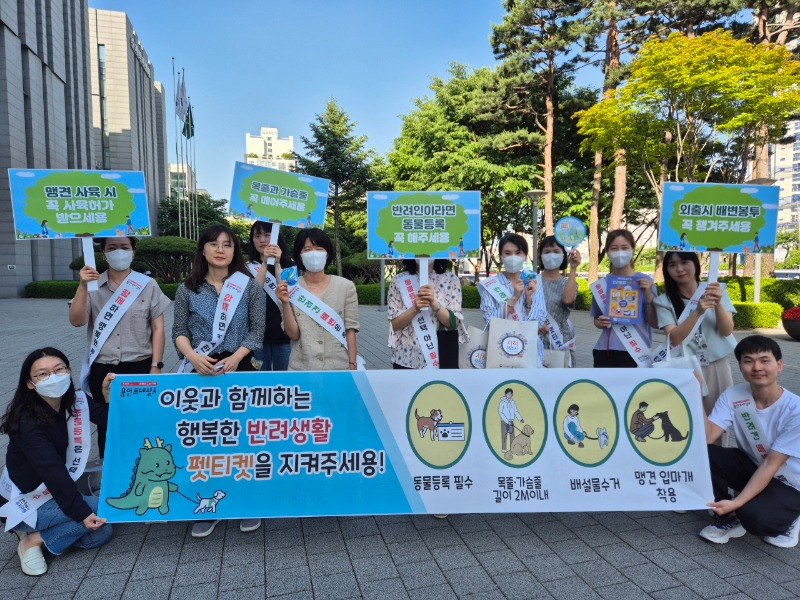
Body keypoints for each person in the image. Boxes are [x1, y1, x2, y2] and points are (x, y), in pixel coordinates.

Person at [172, 224, 266, 537]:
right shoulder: (188, 289)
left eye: (227, 244)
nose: (220, 250)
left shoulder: (248, 286)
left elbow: (257, 331)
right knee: (206, 441)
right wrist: (193, 357)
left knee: (243, 439)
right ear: (202, 250)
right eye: (213, 244)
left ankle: (247, 502)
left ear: (234, 250)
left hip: (240, 368)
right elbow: (179, 331)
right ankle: (207, 504)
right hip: (200, 371)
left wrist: (237, 357)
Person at [0, 348, 113, 576]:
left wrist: (109, 396)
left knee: (101, 528)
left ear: (68, 372)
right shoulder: (27, 421)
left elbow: (105, 418)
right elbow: (52, 472)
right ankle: (31, 541)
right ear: (30, 384)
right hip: (26, 500)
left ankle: (41, 534)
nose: (53, 376)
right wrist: (81, 513)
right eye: (42, 374)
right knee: (102, 515)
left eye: (59, 369)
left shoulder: (74, 400)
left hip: (54, 492)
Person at [68, 236, 170, 457]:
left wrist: (156, 365)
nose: (119, 252)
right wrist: (83, 284)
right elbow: (77, 320)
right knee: (107, 424)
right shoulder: (93, 286)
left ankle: (143, 470)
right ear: (103, 254)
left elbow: (158, 328)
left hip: (140, 366)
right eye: (112, 248)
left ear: (133, 251)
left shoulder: (147, 284)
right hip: (104, 369)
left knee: (141, 421)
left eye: (125, 247)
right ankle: (109, 472)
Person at [699, 335, 800, 548]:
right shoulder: (733, 395)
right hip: (755, 466)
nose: (757, 367)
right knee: (703, 452)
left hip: (790, 482)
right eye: (748, 361)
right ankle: (726, 518)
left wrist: (737, 502)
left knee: (756, 519)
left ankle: (792, 514)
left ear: (779, 365)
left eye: (765, 360)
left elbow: (771, 463)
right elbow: (708, 437)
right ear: (741, 366)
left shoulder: (795, 410)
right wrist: (696, 395)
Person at [654, 251, 736, 416]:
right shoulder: (663, 301)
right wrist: (697, 312)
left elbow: (727, 330)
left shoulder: (716, 290)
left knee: (719, 417)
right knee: (688, 417)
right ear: (667, 270)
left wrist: (717, 304)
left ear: (695, 264)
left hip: (716, 365)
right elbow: (675, 338)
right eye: (672, 265)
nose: (679, 269)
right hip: (685, 366)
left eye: (684, 262)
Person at [276, 228, 360, 371]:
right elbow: (293, 335)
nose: (314, 253)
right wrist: (285, 302)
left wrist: (352, 364)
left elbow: (350, 329)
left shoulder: (346, 286)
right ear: (299, 255)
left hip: (339, 367)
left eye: (319, 248)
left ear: (327, 254)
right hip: (301, 367)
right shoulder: (290, 288)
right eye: (307, 249)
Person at [590, 230, 657, 368]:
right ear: (607, 251)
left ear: (632, 249)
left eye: (625, 247)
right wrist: (600, 322)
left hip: (636, 352)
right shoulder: (602, 284)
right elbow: (596, 320)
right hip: (605, 350)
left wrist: (649, 296)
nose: (619, 252)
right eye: (614, 248)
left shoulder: (646, 282)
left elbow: (654, 322)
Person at [478, 232, 546, 365]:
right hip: (500, 352)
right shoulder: (490, 285)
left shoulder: (534, 281)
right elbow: (491, 323)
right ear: (501, 257)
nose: (513, 257)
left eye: (518, 253)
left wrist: (527, 298)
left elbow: (539, 322)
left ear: (525, 256)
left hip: (530, 352)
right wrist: (514, 298)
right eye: (508, 253)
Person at [387, 259, 466, 370]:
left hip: (441, 357)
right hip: (406, 359)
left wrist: (435, 305)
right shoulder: (398, 280)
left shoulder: (451, 280)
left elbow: (453, 323)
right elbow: (395, 325)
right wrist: (415, 309)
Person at [246, 221, 292, 371]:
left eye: (267, 235)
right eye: (257, 236)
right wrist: (265, 264)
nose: (263, 240)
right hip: (257, 337)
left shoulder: (290, 265)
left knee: (284, 381)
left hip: (284, 335)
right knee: (259, 382)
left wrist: (277, 263)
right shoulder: (247, 266)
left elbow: (287, 294)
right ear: (252, 240)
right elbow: (254, 294)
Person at [538, 236, 581, 367]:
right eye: (547, 251)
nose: (551, 255)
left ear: (564, 256)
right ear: (540, 256)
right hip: (536, 335)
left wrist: (573, 268)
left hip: (560, 337)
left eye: (556, 251)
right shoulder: (533, 281)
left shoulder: (568, 283)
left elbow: (568, 300)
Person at [499, 388, 524, 453]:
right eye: (508, 394)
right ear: (505, 394)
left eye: (511, 394)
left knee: (512, 436)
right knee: (504, 435)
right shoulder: (502, 402)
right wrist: (507, 421)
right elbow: (500, 413)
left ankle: (512, 449)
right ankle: (504, 449)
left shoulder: (513, 402)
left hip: (511, 421)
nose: (509, 395)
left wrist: (520, 418)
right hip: (504, 421)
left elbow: (515, 411)